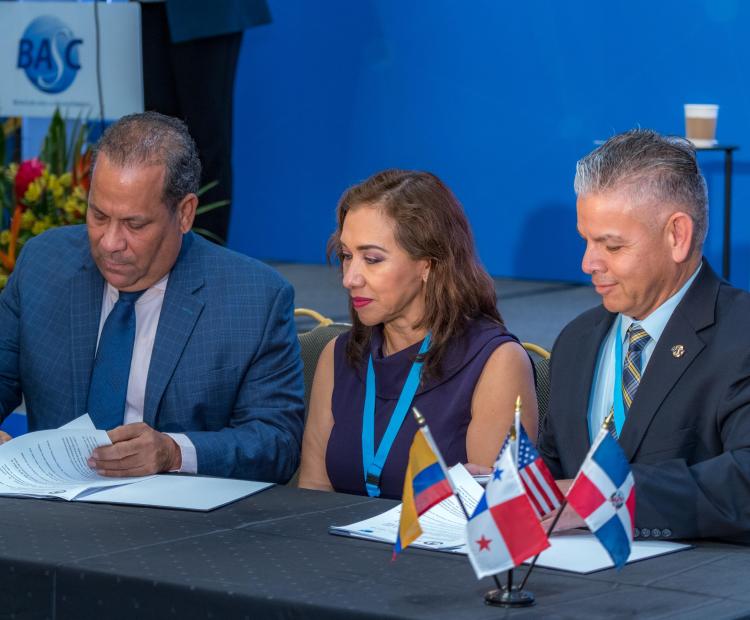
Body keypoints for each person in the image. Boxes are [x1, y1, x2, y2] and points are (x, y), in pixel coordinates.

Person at [0, 111, 304, 482]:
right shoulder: (43, 265)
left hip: (179, 527)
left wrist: (173, 452)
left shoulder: (254, 298)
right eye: (98, 216)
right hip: (53, 519)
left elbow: (276, 443)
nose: (110, 243)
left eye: (134, 224)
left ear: (185, 213)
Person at [538, 129, 750, 543]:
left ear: (677, 236)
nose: (587, 263)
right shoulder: (575, 341)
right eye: (586, 240)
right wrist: (503, 481)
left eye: (612, 246)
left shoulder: (741, 335)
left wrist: (602, 496)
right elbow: (556, 470)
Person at [298, 169, 537, 499]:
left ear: (428, 263)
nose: (350, 278)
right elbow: (312, 495)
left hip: (439, 550)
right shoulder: (338, 355)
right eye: (346, 256)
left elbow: (495, 520)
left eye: (372, 259)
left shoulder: (496, 363)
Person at [139, 0, 272, 242]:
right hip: (149, 10)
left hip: (207, 13)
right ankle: (158, 250)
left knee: (205, 141)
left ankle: (208, 256)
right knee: (155, 139)